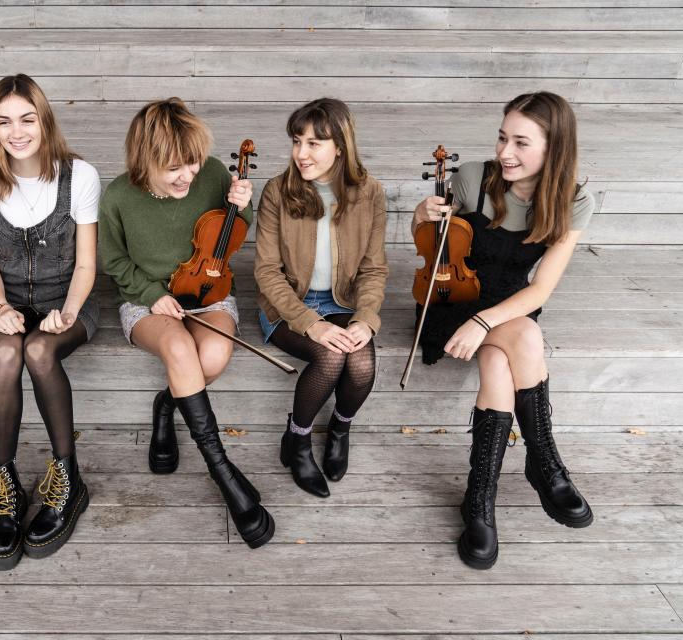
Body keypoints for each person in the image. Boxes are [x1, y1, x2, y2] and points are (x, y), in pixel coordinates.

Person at [411, 91, 595, 570]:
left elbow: (540, 291)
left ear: (554, 149)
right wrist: (421, 214)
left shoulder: (574, 200)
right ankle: (544, 462)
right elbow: (432, 244)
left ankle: (480, 498)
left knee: (500, 358)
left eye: (520, 142)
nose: (504, 153)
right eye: (501, 137)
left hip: (506, 308)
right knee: (526, 339)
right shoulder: (473, 178)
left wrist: (484, 322)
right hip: (456, 297)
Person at [98, 97, 274, 549]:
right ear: (145, 160)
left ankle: (167, 405)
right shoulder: (118, 196)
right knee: (179, 349)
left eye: (192, 163)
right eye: (174, 167)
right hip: (147, 301)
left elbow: (231, 231)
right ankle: (222, 469)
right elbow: (114, 261)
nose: (187, 175)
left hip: (209, 289)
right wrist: (153, 295)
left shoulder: (214, 172)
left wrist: (243, 206)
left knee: (212, 355)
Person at [0, 74, 100, 569]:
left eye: (26, 119)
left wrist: (67, 308)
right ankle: (7, 487)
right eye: (4, 122)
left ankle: (68, 480)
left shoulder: (78, 175)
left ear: (44, 120)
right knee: (5, 352)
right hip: (7, 301)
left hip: (71, 300)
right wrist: (0, 309)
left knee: (40, 351)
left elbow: (86, 264)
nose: (16, 131)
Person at [254, 98, 388, 498]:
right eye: (297, 141)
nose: (301, 153)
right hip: (287, 304)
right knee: (330, 357)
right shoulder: (279, 191)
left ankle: (340, 430)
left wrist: (365, 319)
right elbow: (266, 272)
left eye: (314, 143)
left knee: (360, 363)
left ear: (340, 147)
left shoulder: (370, 193)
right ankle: (298, 439)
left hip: (343, 302)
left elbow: (373, 269)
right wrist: (311, 322)